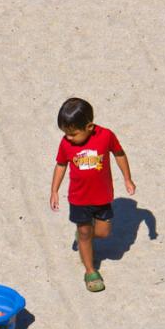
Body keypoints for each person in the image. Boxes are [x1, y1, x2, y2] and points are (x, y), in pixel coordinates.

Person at [50, 98, 136, 292]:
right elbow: (61, 165)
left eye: (72, 134)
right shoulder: (66, 144)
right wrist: (54, 190)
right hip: (78, 198)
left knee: (104, 232)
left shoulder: (106, 136)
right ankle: (90, 270)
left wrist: (127, 179)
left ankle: (83, 238)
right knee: (85, 231)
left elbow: (119, 153)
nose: (68, 138)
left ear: (89, 126)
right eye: (65, 133)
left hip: (102, 196)